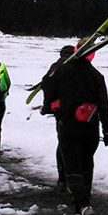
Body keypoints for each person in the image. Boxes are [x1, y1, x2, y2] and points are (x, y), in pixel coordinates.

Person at [42, 39, 108, 215]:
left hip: (68, 126)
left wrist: (47, 108)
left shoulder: (62, 71)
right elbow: (104, 105)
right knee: (87, 167)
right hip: (91, 128)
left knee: (72, 169)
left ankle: (83, 207)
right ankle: (78, 213)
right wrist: (107, 132)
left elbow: (48, 92)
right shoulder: (97, 75)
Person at [40, 45, 75, 192]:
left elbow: (47, 85)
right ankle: (76, 176)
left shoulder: (56, 66)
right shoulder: (77, 65)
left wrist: (47, 107)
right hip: (78, 110)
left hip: (60, 111)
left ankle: (62, 178)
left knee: (63, 143)